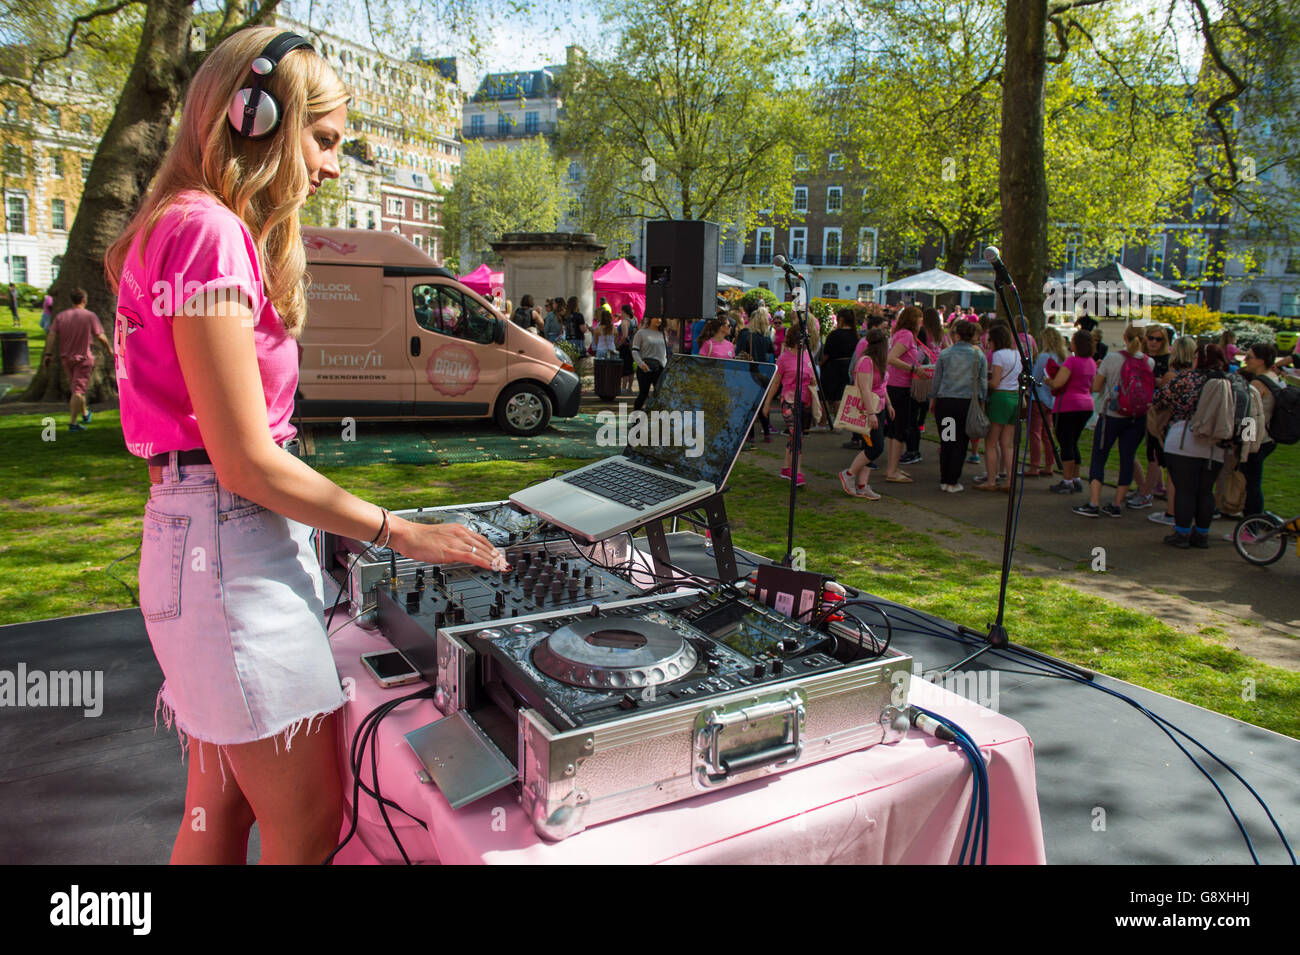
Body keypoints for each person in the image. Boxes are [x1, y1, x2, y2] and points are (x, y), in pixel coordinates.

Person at [103, 27, 501, 865]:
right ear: (255, 119)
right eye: (321, 139)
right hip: (228, 549)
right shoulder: (208, 232)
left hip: (200, 539)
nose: (330, 165)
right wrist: (400, 531)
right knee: (312, 823)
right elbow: (245, 458)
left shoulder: (173, 223)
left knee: (218, 814)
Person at [1072, 325, 1153, 517]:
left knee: (1099, 457)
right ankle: (1117, 504)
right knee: (1127, 458)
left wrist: (1102, 373)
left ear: (1124, 337)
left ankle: (1094, 502)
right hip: (1137, 416)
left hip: (1112, 414)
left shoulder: (1113, 358)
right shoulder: (1149, 362)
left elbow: (1096, 387)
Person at [1152, 343, 1228, 547]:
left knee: (1185, 489)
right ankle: (1202, 534)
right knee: (1205, 491)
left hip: (1186, 439)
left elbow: (1159, 399)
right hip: (1217, 444)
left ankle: (1182, 533)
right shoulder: (1230, 382)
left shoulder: (1187, 380)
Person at [929, 319, 987, 492]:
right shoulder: (979, 356)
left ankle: (945, 478)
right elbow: (982, 383)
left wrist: (933, 399)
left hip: (946, 402)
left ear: (957, 335)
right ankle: (953, 480)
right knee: (961, 443)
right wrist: (983, 403)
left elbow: (937, 380)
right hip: (967, 404)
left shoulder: (945, 354)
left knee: (947, 440)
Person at [44, 288, 112, 431]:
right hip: (84, 358)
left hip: (66, 358)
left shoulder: (62, 316)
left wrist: (48, 354)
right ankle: (73, 423)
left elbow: (51, 335)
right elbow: (100, 336)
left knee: (77, 388)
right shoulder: (89, 316)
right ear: (84, 300)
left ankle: (85, 413)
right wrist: (110, 349)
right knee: (78, 391)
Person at [1147, 336, 1196, 526]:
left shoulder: (1172, 375)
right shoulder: (1197, 376)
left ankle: (1172, 512)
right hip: (1193, 428)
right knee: (1188, 475)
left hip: (1174, 427)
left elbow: (1162, 402)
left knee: (1173, 473)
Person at [839, 328, 891, 500]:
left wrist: (888, 404)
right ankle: (849, 474)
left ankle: (862, 485)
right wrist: (871, 413)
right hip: (870, 409)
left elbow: (882, 385)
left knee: (870, 447)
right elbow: (865, 389)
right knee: (876, 447)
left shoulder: (878, 362)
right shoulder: (866, 362)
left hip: (879, 407)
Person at [1127, 323, 1174, 509]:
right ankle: (1148, 486)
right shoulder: (1140, 357)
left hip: (1158, 411)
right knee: (1131, 449)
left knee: (1153, 452)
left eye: (1158, 339)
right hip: (1138, 407)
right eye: (1151, 338)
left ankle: (1147, 491)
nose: (1154, 342)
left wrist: (1158, 382)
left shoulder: (1167, 360)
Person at [1047, 329, 1098, 494]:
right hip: (1086, 404)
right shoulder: (1091, 362)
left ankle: (1067, 479)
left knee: (1065, 442)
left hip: (1067, 405)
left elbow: (1057, 383)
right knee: (1073, 441)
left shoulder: (1071, 362)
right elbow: (1092, 385)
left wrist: (1047, 380)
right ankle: (1076, 477)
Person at [1235, 343, 1280, 526]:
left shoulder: (1257, 383)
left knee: (1251, 484)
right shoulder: (1273, 377)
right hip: (1268, 437)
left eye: (1250, 357)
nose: (1246, 360)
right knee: (1254, 482)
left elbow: (1250, 417)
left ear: (1261, 360)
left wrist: (1243, 445)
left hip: (1256, 440)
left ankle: (1251, 526)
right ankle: (1253, 523)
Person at [974, 323, 1021, 492]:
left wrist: (981, 381)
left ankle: (991, 480)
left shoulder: (998, 355)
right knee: (1007, 444)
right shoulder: (1017, 354)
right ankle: (1010, 479)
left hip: (1000, 398)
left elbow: (995, 382)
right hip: (1015, 397)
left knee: (991, 443)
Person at [882, 306, 926, 483]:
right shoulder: (907, 335)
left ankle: (892, 467)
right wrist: (913, 368)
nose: (921, 323)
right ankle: (892, 470)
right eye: (919, 319)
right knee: (900, 429)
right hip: (900, 386)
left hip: (895, 385)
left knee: (894, 429)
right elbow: (891, 358)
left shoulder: (900, 333)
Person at [776, 332, 815, 487]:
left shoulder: (807, 356)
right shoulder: (784, 358)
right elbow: (776, 382)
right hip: (789, 401)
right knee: (797, 435)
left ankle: (786, 467)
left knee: (795, 435)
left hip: (804, 401)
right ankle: (796, 471)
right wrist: (766, 403)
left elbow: (811, 378)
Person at [1027, 325, 1066, 477]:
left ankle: (1034, 465)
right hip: (1053, 399)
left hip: (1039, 397)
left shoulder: (1045, 357)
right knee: (1048, 433)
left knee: (1035, 432)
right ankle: (1049, 464)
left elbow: (1035, 378)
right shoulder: (1062, 357)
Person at [820, 308, 858, 424]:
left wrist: (820, 364)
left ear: (841, 319)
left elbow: (827, 353)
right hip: (848, 366)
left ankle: (823, 421)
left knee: (825, 395)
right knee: (840, 396)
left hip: (833, 366)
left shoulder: (834, 334)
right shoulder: (855, 335)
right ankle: (838, 422)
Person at [631, 314, 667, 410]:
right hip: (645, 368)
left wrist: (665, 366)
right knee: (643, 394)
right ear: (650, 319)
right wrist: (641, 363)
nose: (659, 320)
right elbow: (634, 351)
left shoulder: (663, 333)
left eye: (660, 318)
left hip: (659, 368)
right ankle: (636, 420)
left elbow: (665, 352)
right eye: (656, 317)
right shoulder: (641, 333)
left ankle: (655, 420)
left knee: (659, 395)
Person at [615, 304, 637, 394]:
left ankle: (623, 388)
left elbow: (624, 335)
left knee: (624, 368)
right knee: (631, 367)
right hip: (632, 346)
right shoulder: (635, 320)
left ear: (624, 311)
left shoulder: (624, 322)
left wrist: (618, 345)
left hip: (625, 347)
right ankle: (629, 388)